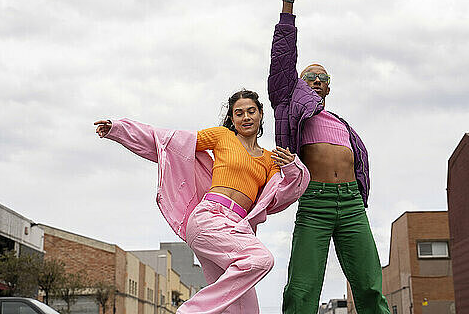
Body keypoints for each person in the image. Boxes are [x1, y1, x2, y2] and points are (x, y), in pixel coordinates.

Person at [94, 89, 310, 314]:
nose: (246, 117)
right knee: (260, 259)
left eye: (251, 111)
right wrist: (118, 129)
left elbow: (283, 195)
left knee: (245, 310)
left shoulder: (270, 160)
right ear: (232, 119)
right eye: (239, 113)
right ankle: (190, 311)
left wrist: (292, 167)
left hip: (236, 228)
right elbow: (168, 142)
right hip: (210, 217)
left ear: (261, 113)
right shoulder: (222, 137)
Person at [268, 0, 390, 314]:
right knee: (302, 289)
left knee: (368, 286)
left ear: (329, 86)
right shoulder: (290, 104)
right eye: (310, 76)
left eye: (323, 77)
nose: (316, 80)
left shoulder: (341, 124)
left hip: (352, 205)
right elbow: (282, 59)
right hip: (315, 204)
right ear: (298, 83)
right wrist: (288, 4)